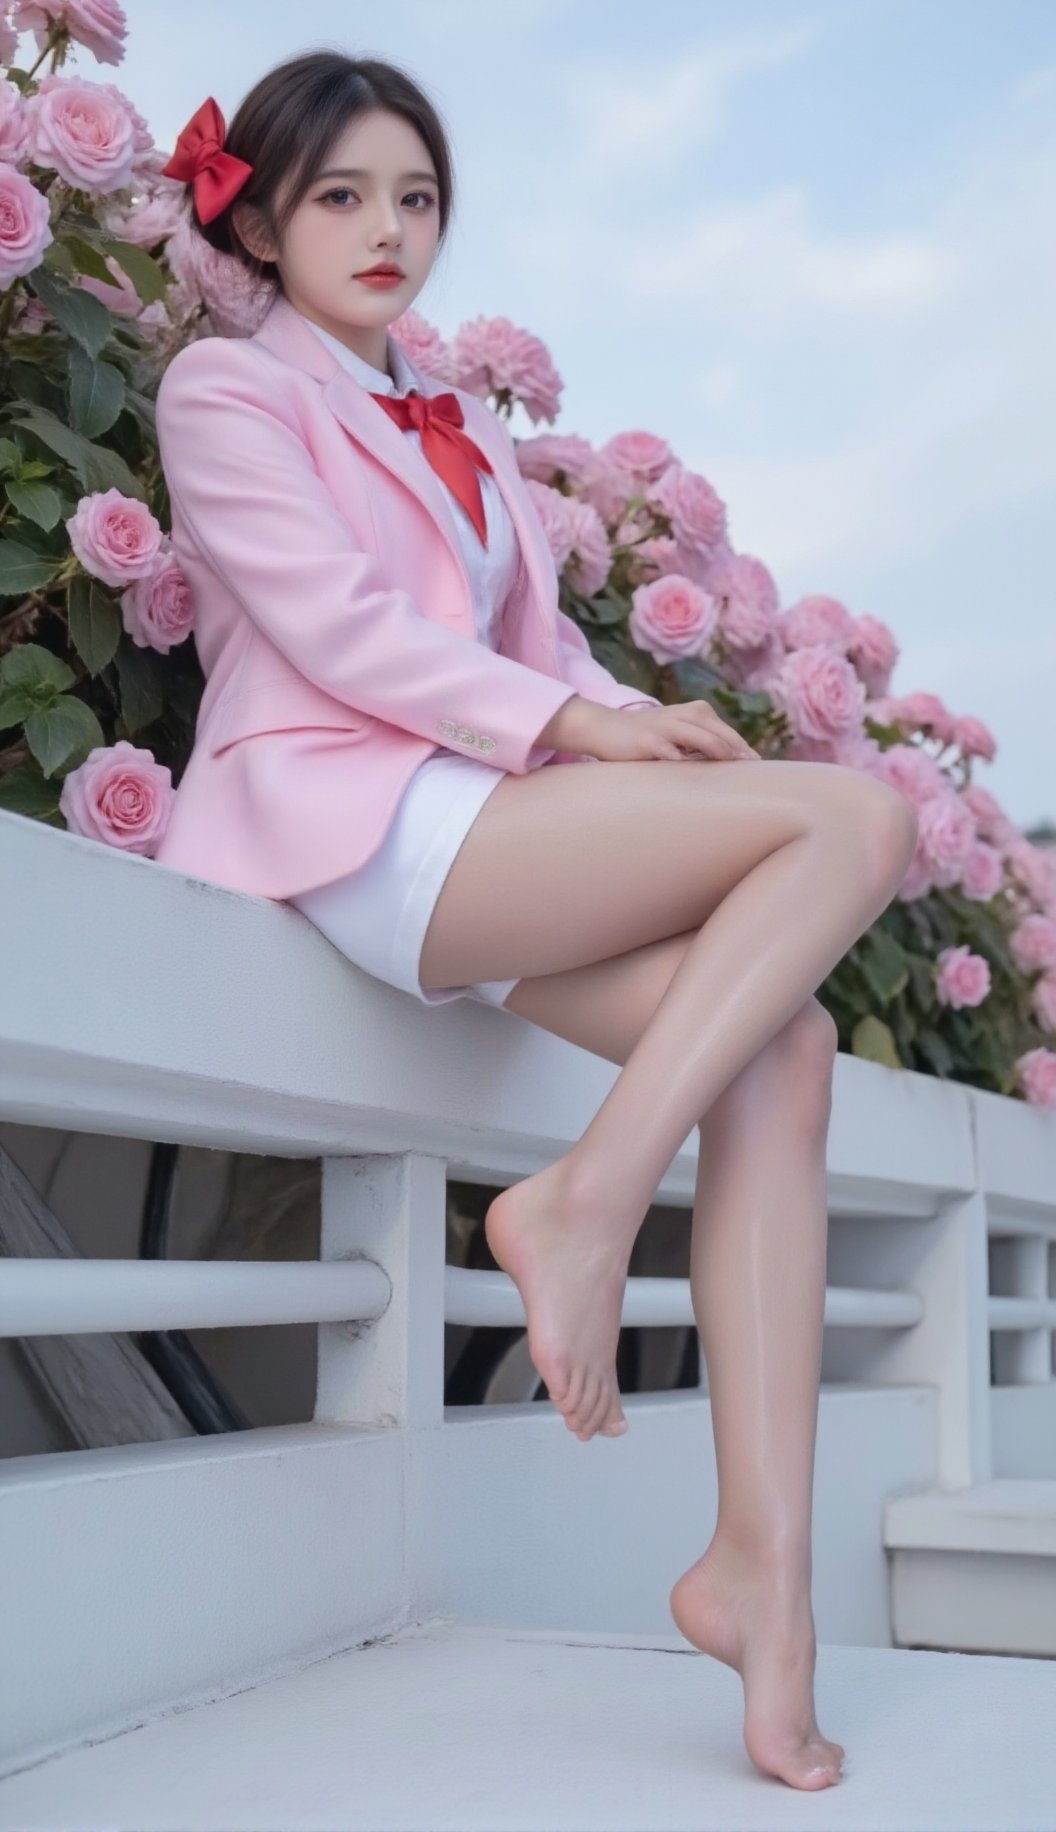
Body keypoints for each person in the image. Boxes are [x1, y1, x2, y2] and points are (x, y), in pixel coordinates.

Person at [154, 49, 919, 1793]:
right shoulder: (225, 390)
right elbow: (343, 633)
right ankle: (582, 1200)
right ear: (260, 214)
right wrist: (574, 732)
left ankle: (762, 1583)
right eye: (342, 195)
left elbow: (536, 649)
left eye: (415, 197)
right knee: (862, 816)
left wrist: (626, 711)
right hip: (354, 815)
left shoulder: (462, 416)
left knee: (785, 1048)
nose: (388, 229)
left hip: (485, 812)